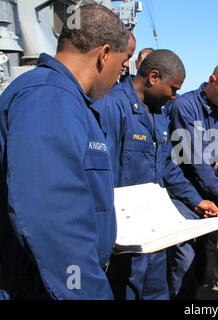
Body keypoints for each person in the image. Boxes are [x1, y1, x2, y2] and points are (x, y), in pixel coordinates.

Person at [0, 4, 129, 299]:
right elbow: (53, 220)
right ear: (104, 54)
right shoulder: (49, 98)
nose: (118, 78)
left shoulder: (67, 100)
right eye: (121, 67)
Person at [94, 49, 218, 300]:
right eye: (172, 88)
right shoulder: (112, 106)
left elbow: (168, 167)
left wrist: (196, 200)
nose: (174, 96)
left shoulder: (159, 114)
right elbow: (98, 174)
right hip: (124, 240)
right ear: (153, 77)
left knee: (157, 293)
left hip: (155, 234)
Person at [166, 62, 218, 298]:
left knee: (204, 251)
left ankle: (196, 292)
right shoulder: (185, 106)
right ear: (212, 81)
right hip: (183, 188)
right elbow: (193, 157)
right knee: (184, 255)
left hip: (209, 187)